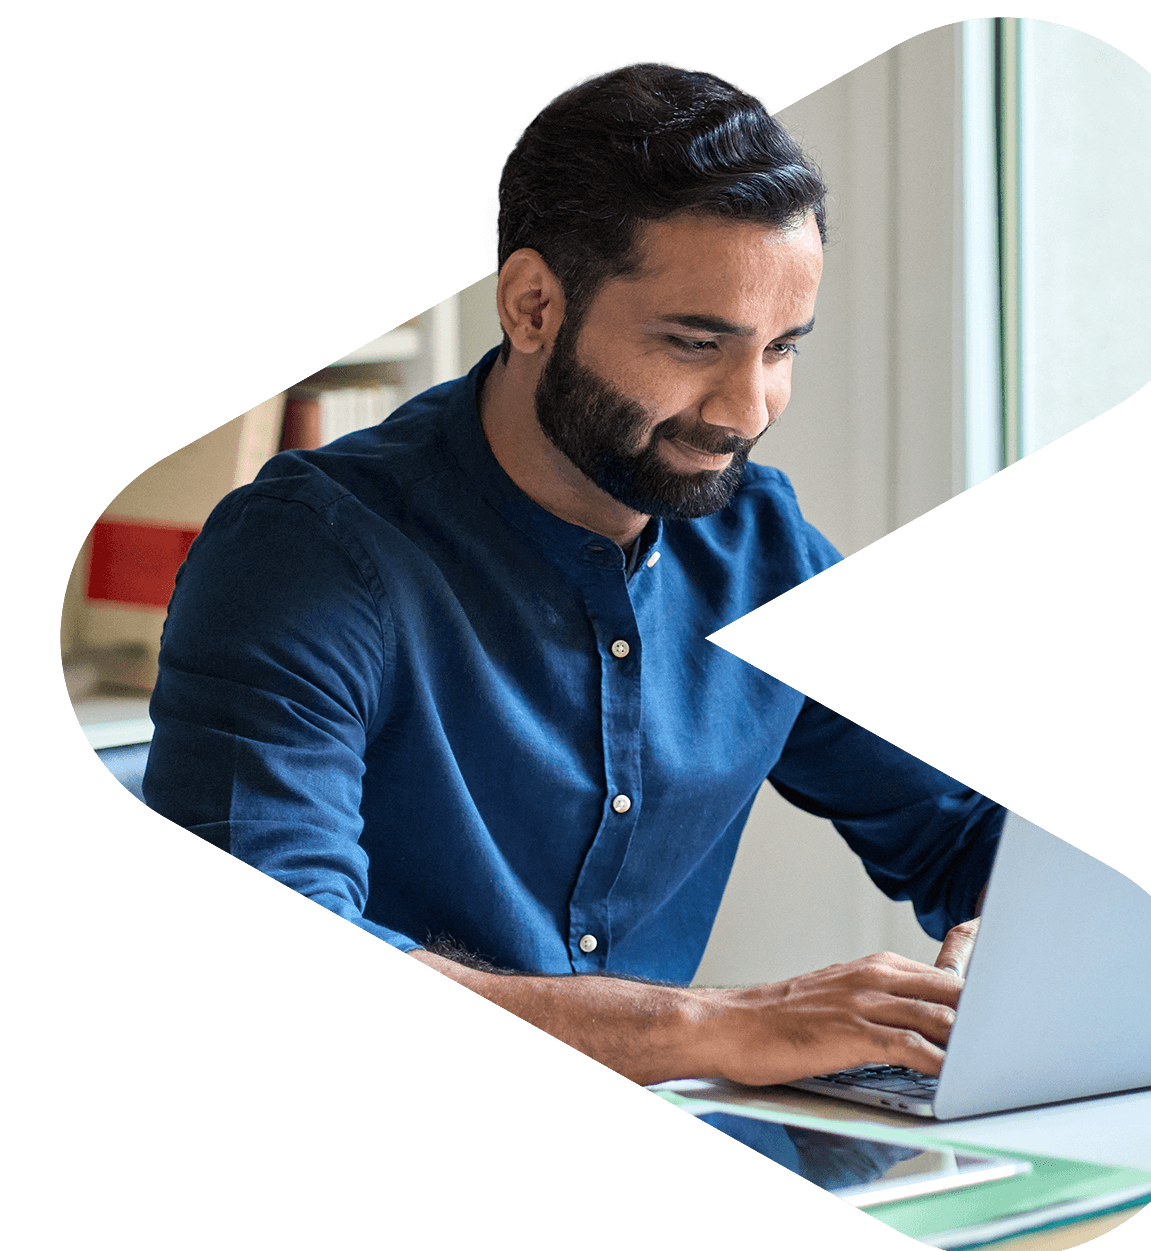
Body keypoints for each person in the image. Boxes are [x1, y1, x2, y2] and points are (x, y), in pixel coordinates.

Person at [143, 61, 1002, 1089]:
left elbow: (959, 830)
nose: (746, 408)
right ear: (533, 305)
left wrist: (1004, 944)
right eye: (695, 342)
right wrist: (711, 1025)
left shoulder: (756, 543)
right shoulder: (301, 556)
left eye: (781, 347)